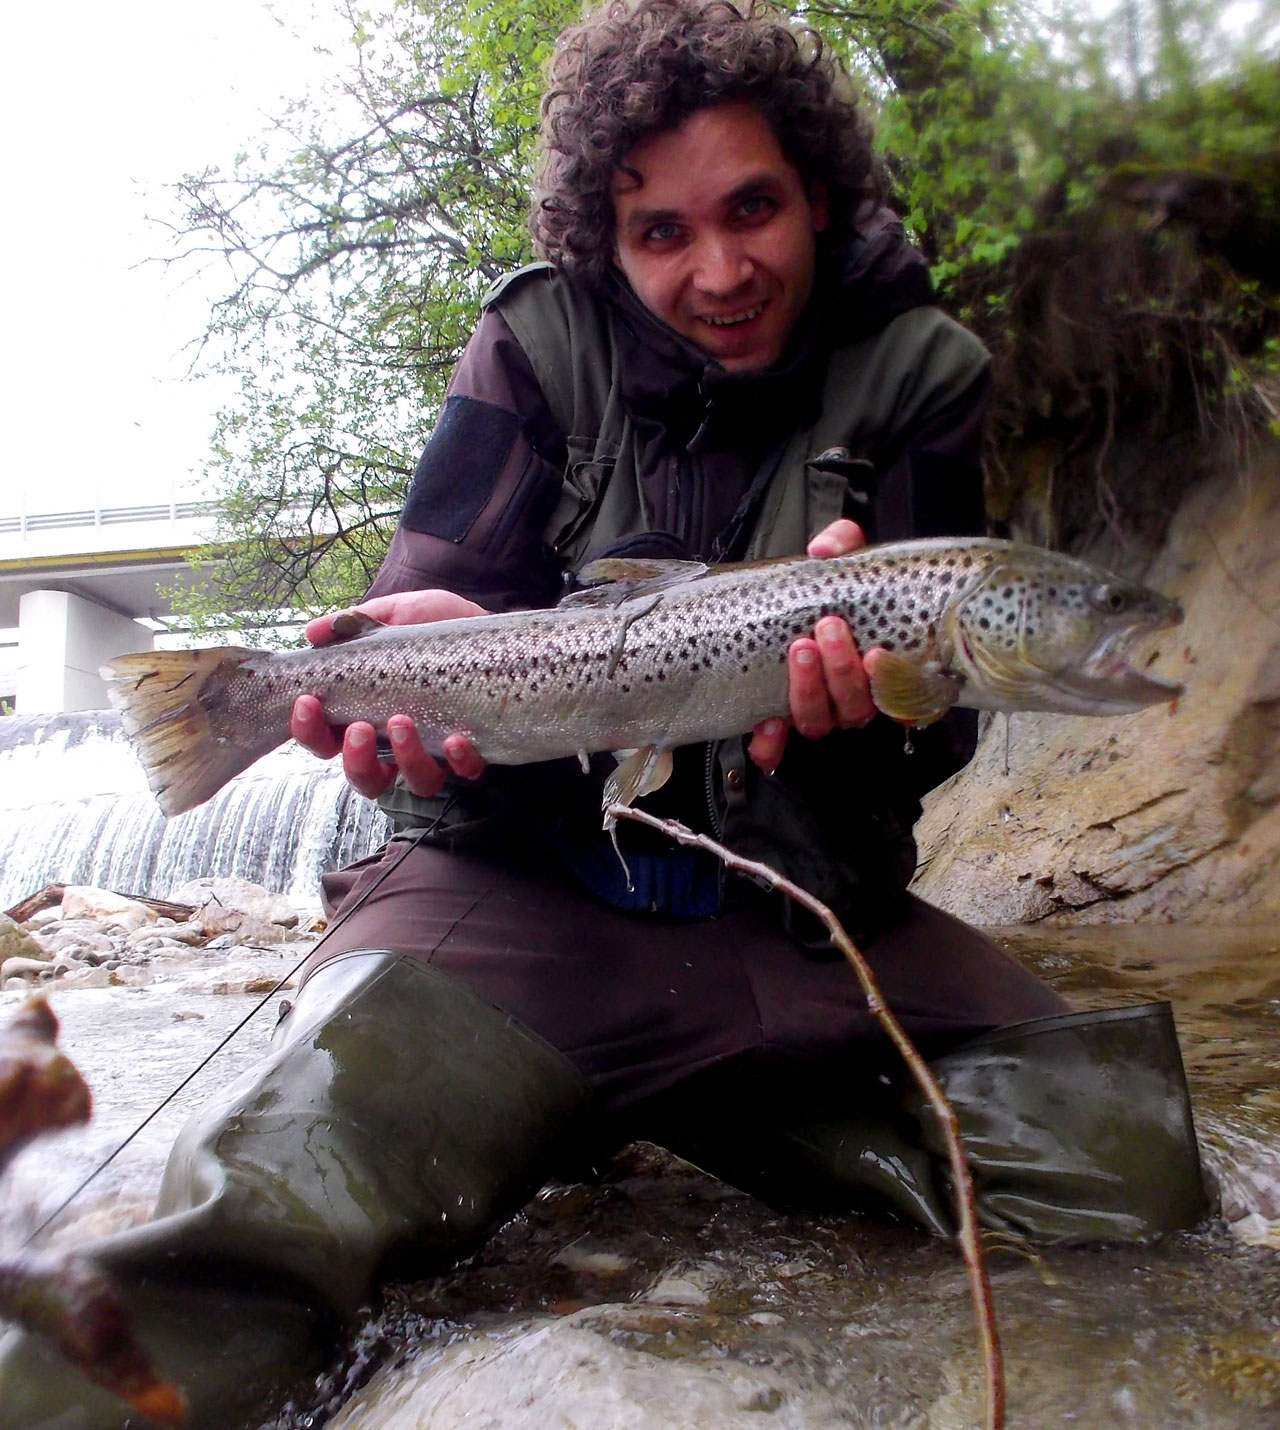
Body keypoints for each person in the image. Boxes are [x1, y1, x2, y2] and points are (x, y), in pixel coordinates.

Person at [0, 3, 1205, 1426]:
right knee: (254, 1213)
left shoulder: (919, 370)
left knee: (1125, 1166)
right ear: (607, 240)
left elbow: (934, 741)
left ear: (817, 193)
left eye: (752, 208)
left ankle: (606, 1108)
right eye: (662, 232)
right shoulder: (534, 343)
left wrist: (873, 718)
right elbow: (429, 607)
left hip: (796, 920)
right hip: (523, 898)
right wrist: (404, 661)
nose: (721, 268)